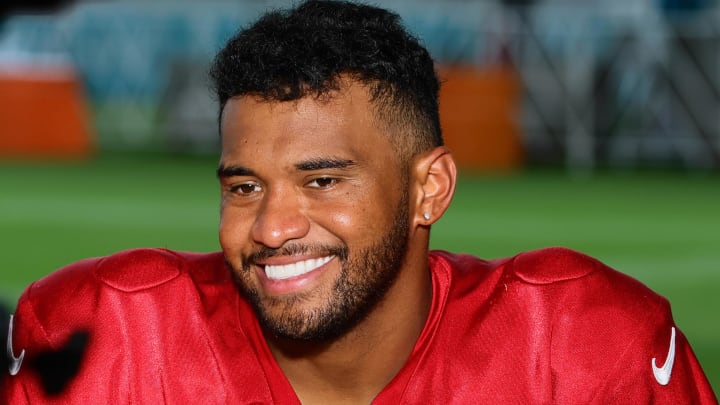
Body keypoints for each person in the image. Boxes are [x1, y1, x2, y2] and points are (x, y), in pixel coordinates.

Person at [3, 1, 717, 403]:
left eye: (323, 180)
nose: (273, 226)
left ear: (428, 188)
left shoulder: (580, 349)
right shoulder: (107, 339)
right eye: (244, 186)